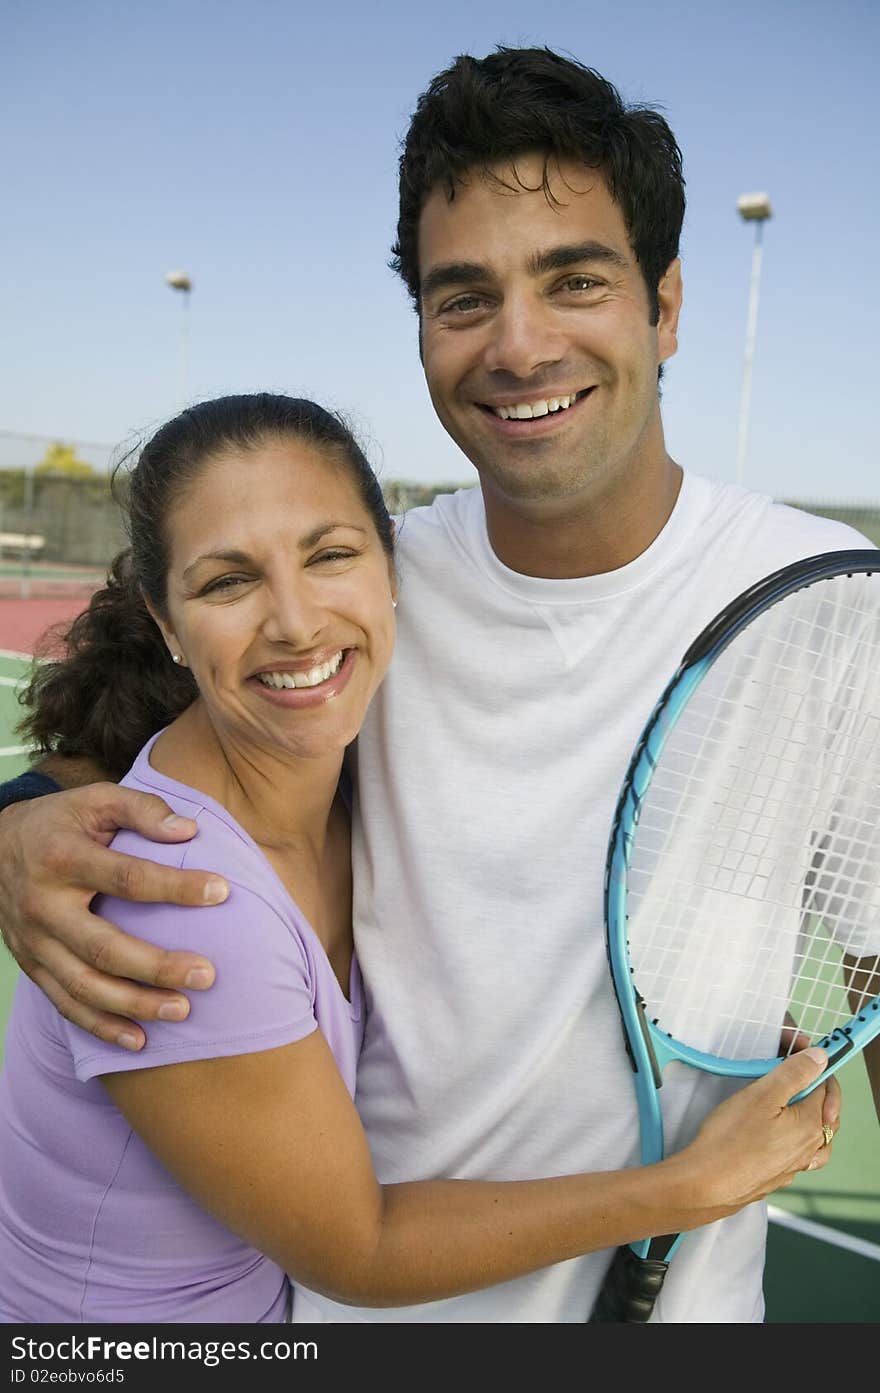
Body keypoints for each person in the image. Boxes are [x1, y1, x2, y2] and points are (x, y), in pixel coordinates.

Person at [1, 48, 876, 1323]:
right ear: (421, 329)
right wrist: (13, 825)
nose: (519, 344)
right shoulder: (366, 593)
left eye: (573, 279)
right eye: (464, 298)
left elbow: (865, 945)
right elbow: (115, 753)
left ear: (666, 305)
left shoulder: (831, 608)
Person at [0, 390, 836, 1324]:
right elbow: (359, 1246)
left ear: (394, 566)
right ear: (163, 621)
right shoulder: (180, 907)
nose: (295, 622)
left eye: (331, 555)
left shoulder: (345, 779)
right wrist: (690, 1186)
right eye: (228, 582)